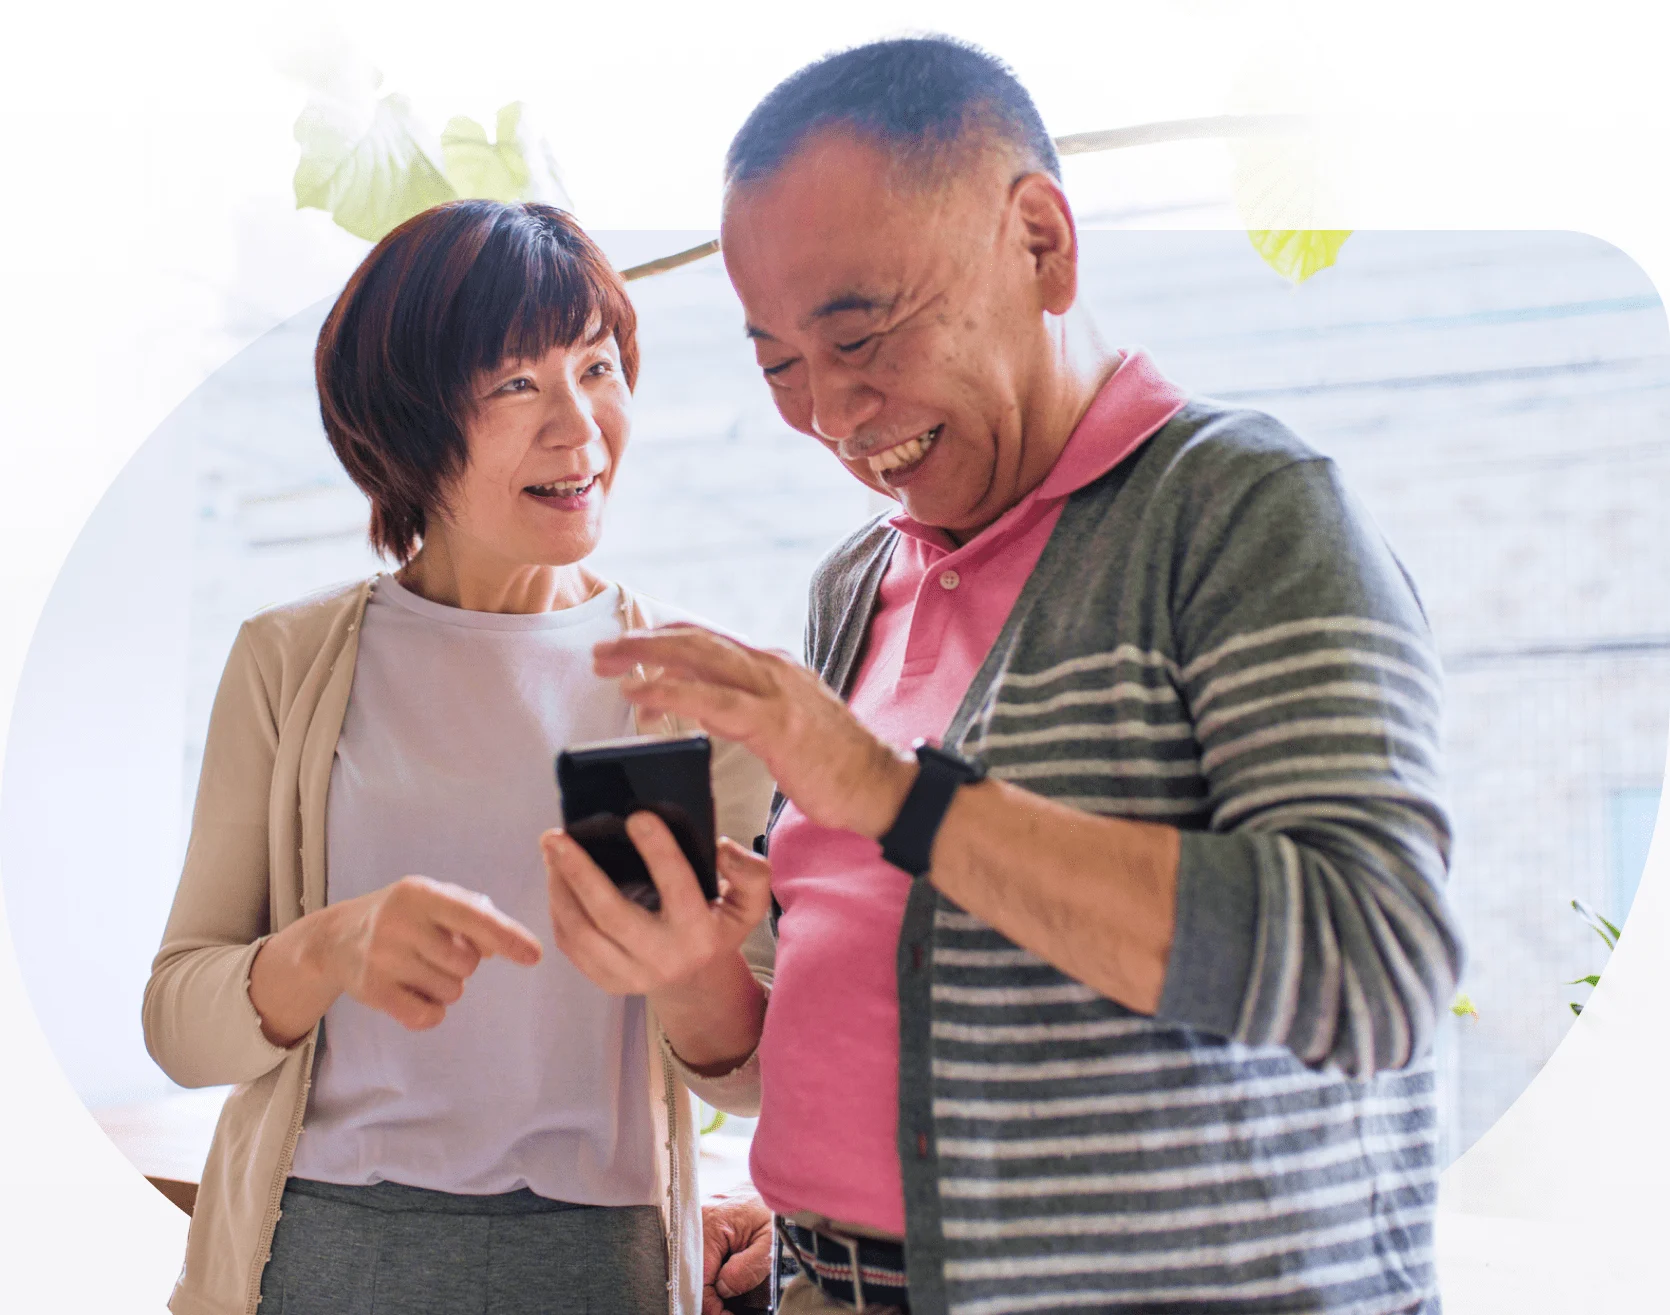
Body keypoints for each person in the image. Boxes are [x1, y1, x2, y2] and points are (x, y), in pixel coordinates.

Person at [543, 36, 1465, 1315]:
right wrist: (693, 970)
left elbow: (1377, 967)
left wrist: (892, 795)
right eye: (779, 365)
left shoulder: (1243, 513)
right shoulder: (855, 585)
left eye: (860, 334)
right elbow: (828, 1054)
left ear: (1041, 242)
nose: (829, 414)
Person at [142, 200, 776, 1315]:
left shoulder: (698, 684)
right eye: (517, 384)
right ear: (405, 428)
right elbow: (177, 1024)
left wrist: (687, 962)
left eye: (597, 368)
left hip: (602, 1262)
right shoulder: (289, 661)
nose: (579, 427)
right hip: (322, 1249)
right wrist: (329, 947)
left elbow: (756, 1070)